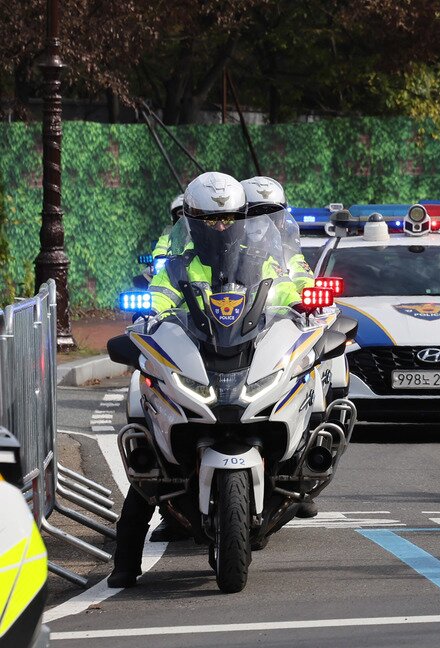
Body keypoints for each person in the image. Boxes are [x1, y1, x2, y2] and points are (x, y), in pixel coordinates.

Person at [109, 172, 301, 588]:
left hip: (241, 351)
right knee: (148, 448)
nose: (220, 227)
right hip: (196, 355)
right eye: (211, 219)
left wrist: (301, 303)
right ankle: (125, 560)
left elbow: (285, 288)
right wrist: (148, 316)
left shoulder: (260, 259)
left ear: (241, 218)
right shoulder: (179, 264)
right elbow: (160, 296)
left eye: (228, 218)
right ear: (193, 221)